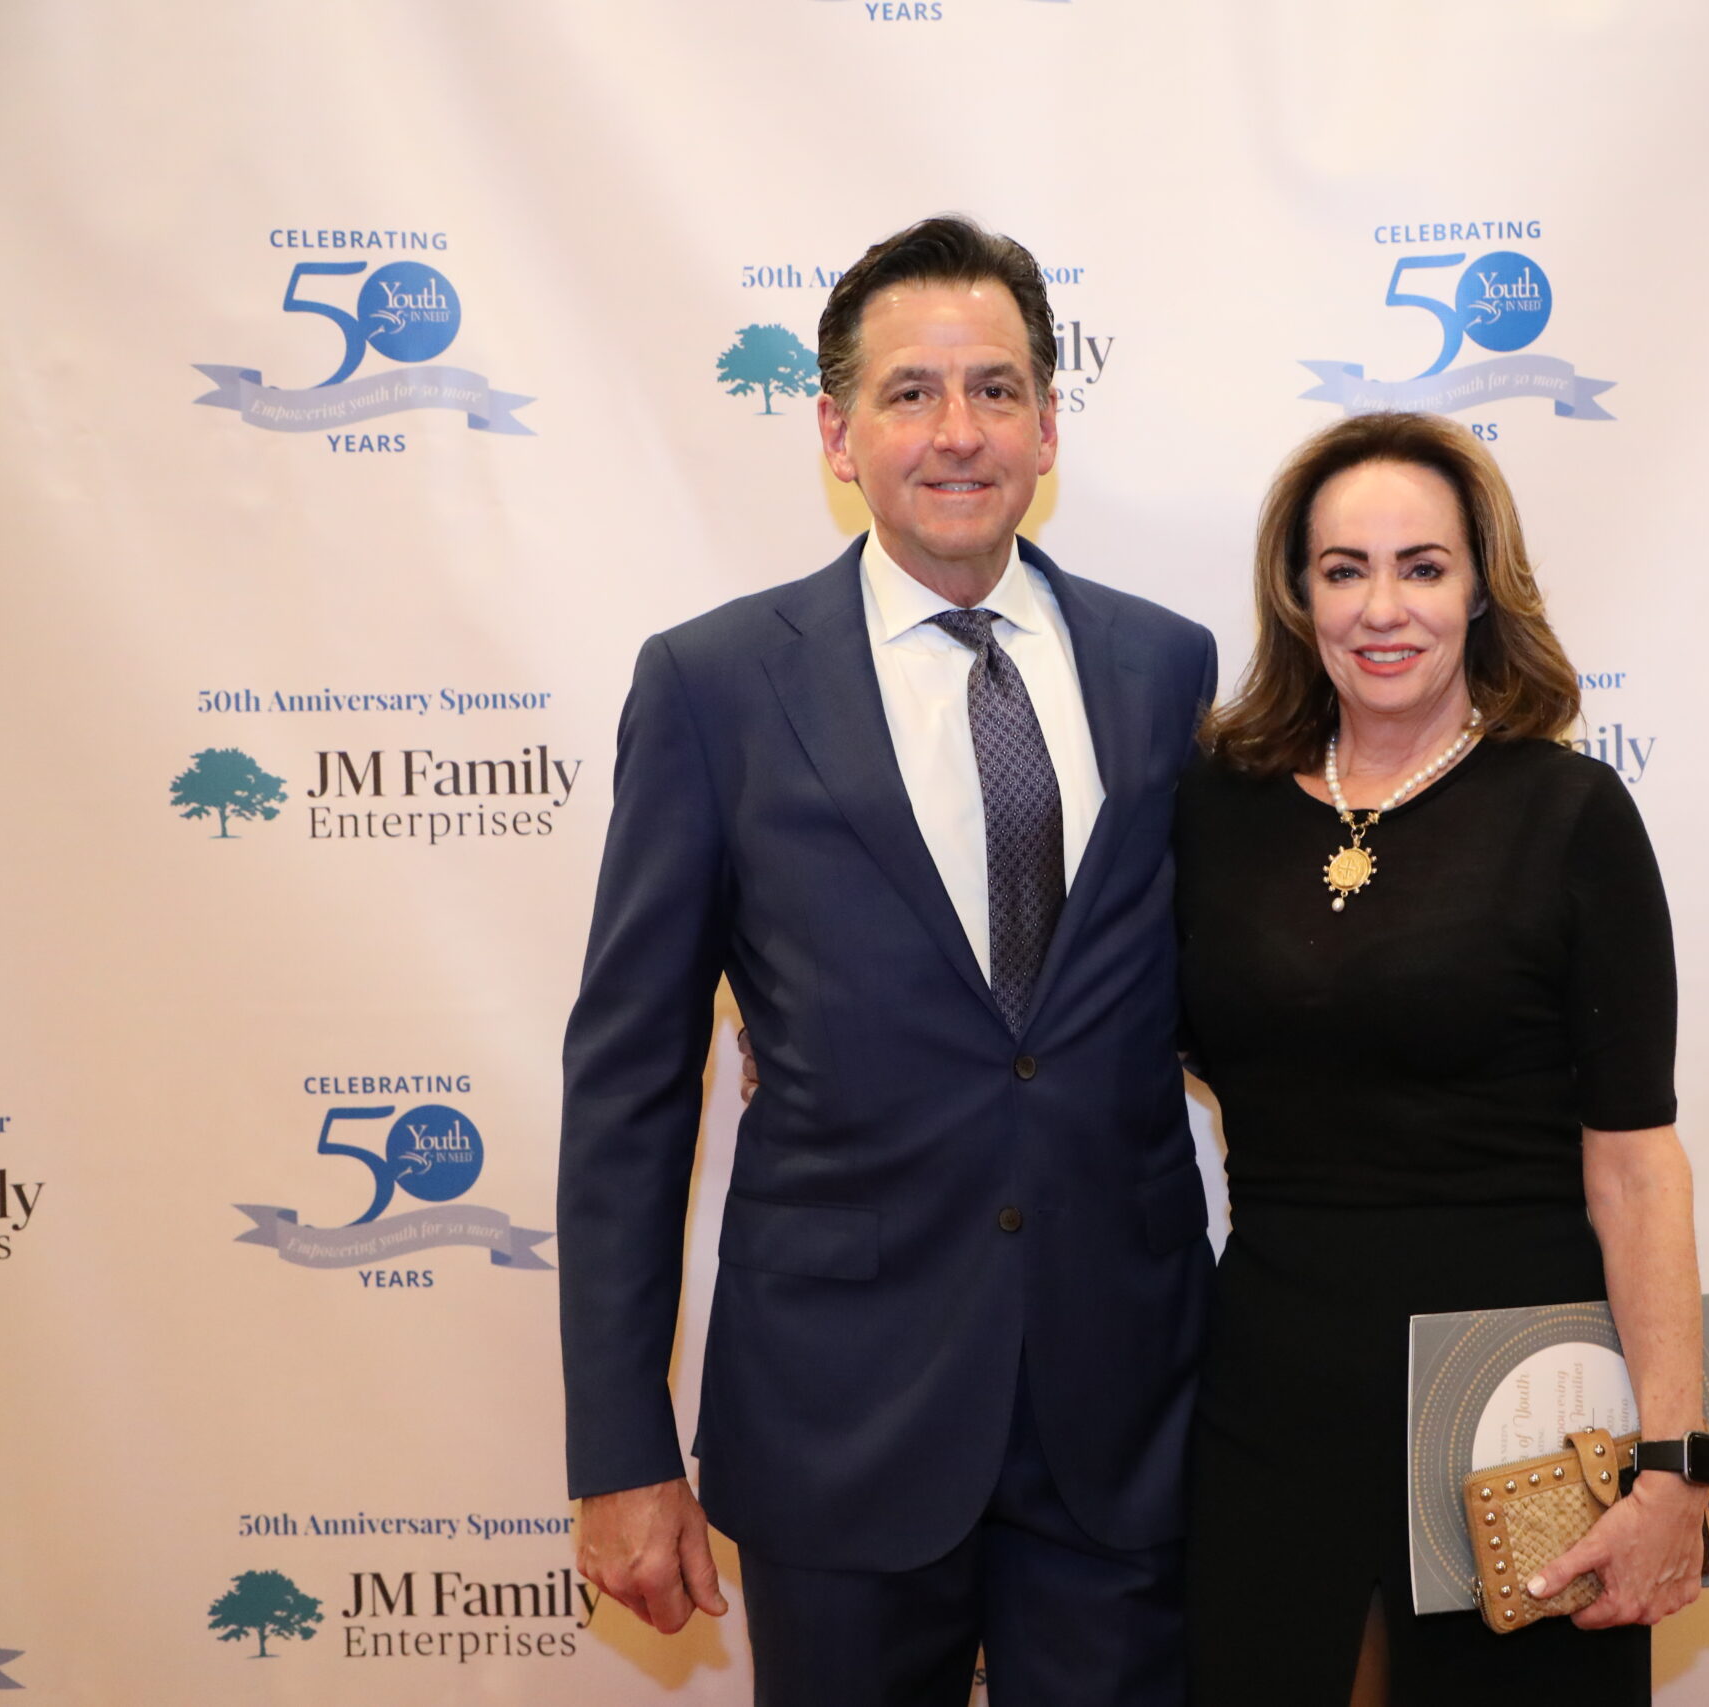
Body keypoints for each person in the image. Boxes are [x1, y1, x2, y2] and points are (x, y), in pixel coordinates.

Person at [558, 215, 1217, 1707]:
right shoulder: (715, 686)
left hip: (1123, 1411)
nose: (957, 431)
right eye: (911, 392)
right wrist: (620, 1447)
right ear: (836, 434)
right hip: (838, 1415)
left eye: (995, 390)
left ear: (1049, 425)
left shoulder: (1166, 666)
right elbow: (630, 1087)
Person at [1177, 412, 1709, 1705]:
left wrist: (1673, 1465)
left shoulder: (1570, 815)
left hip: (1518, 1412)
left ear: (1480, 589)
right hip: (1273, 1398)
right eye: (1343, 570)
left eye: (1422, 567)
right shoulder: (1215, 810)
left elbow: (1637, 1169)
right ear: (1298, 597)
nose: (1383, 608)